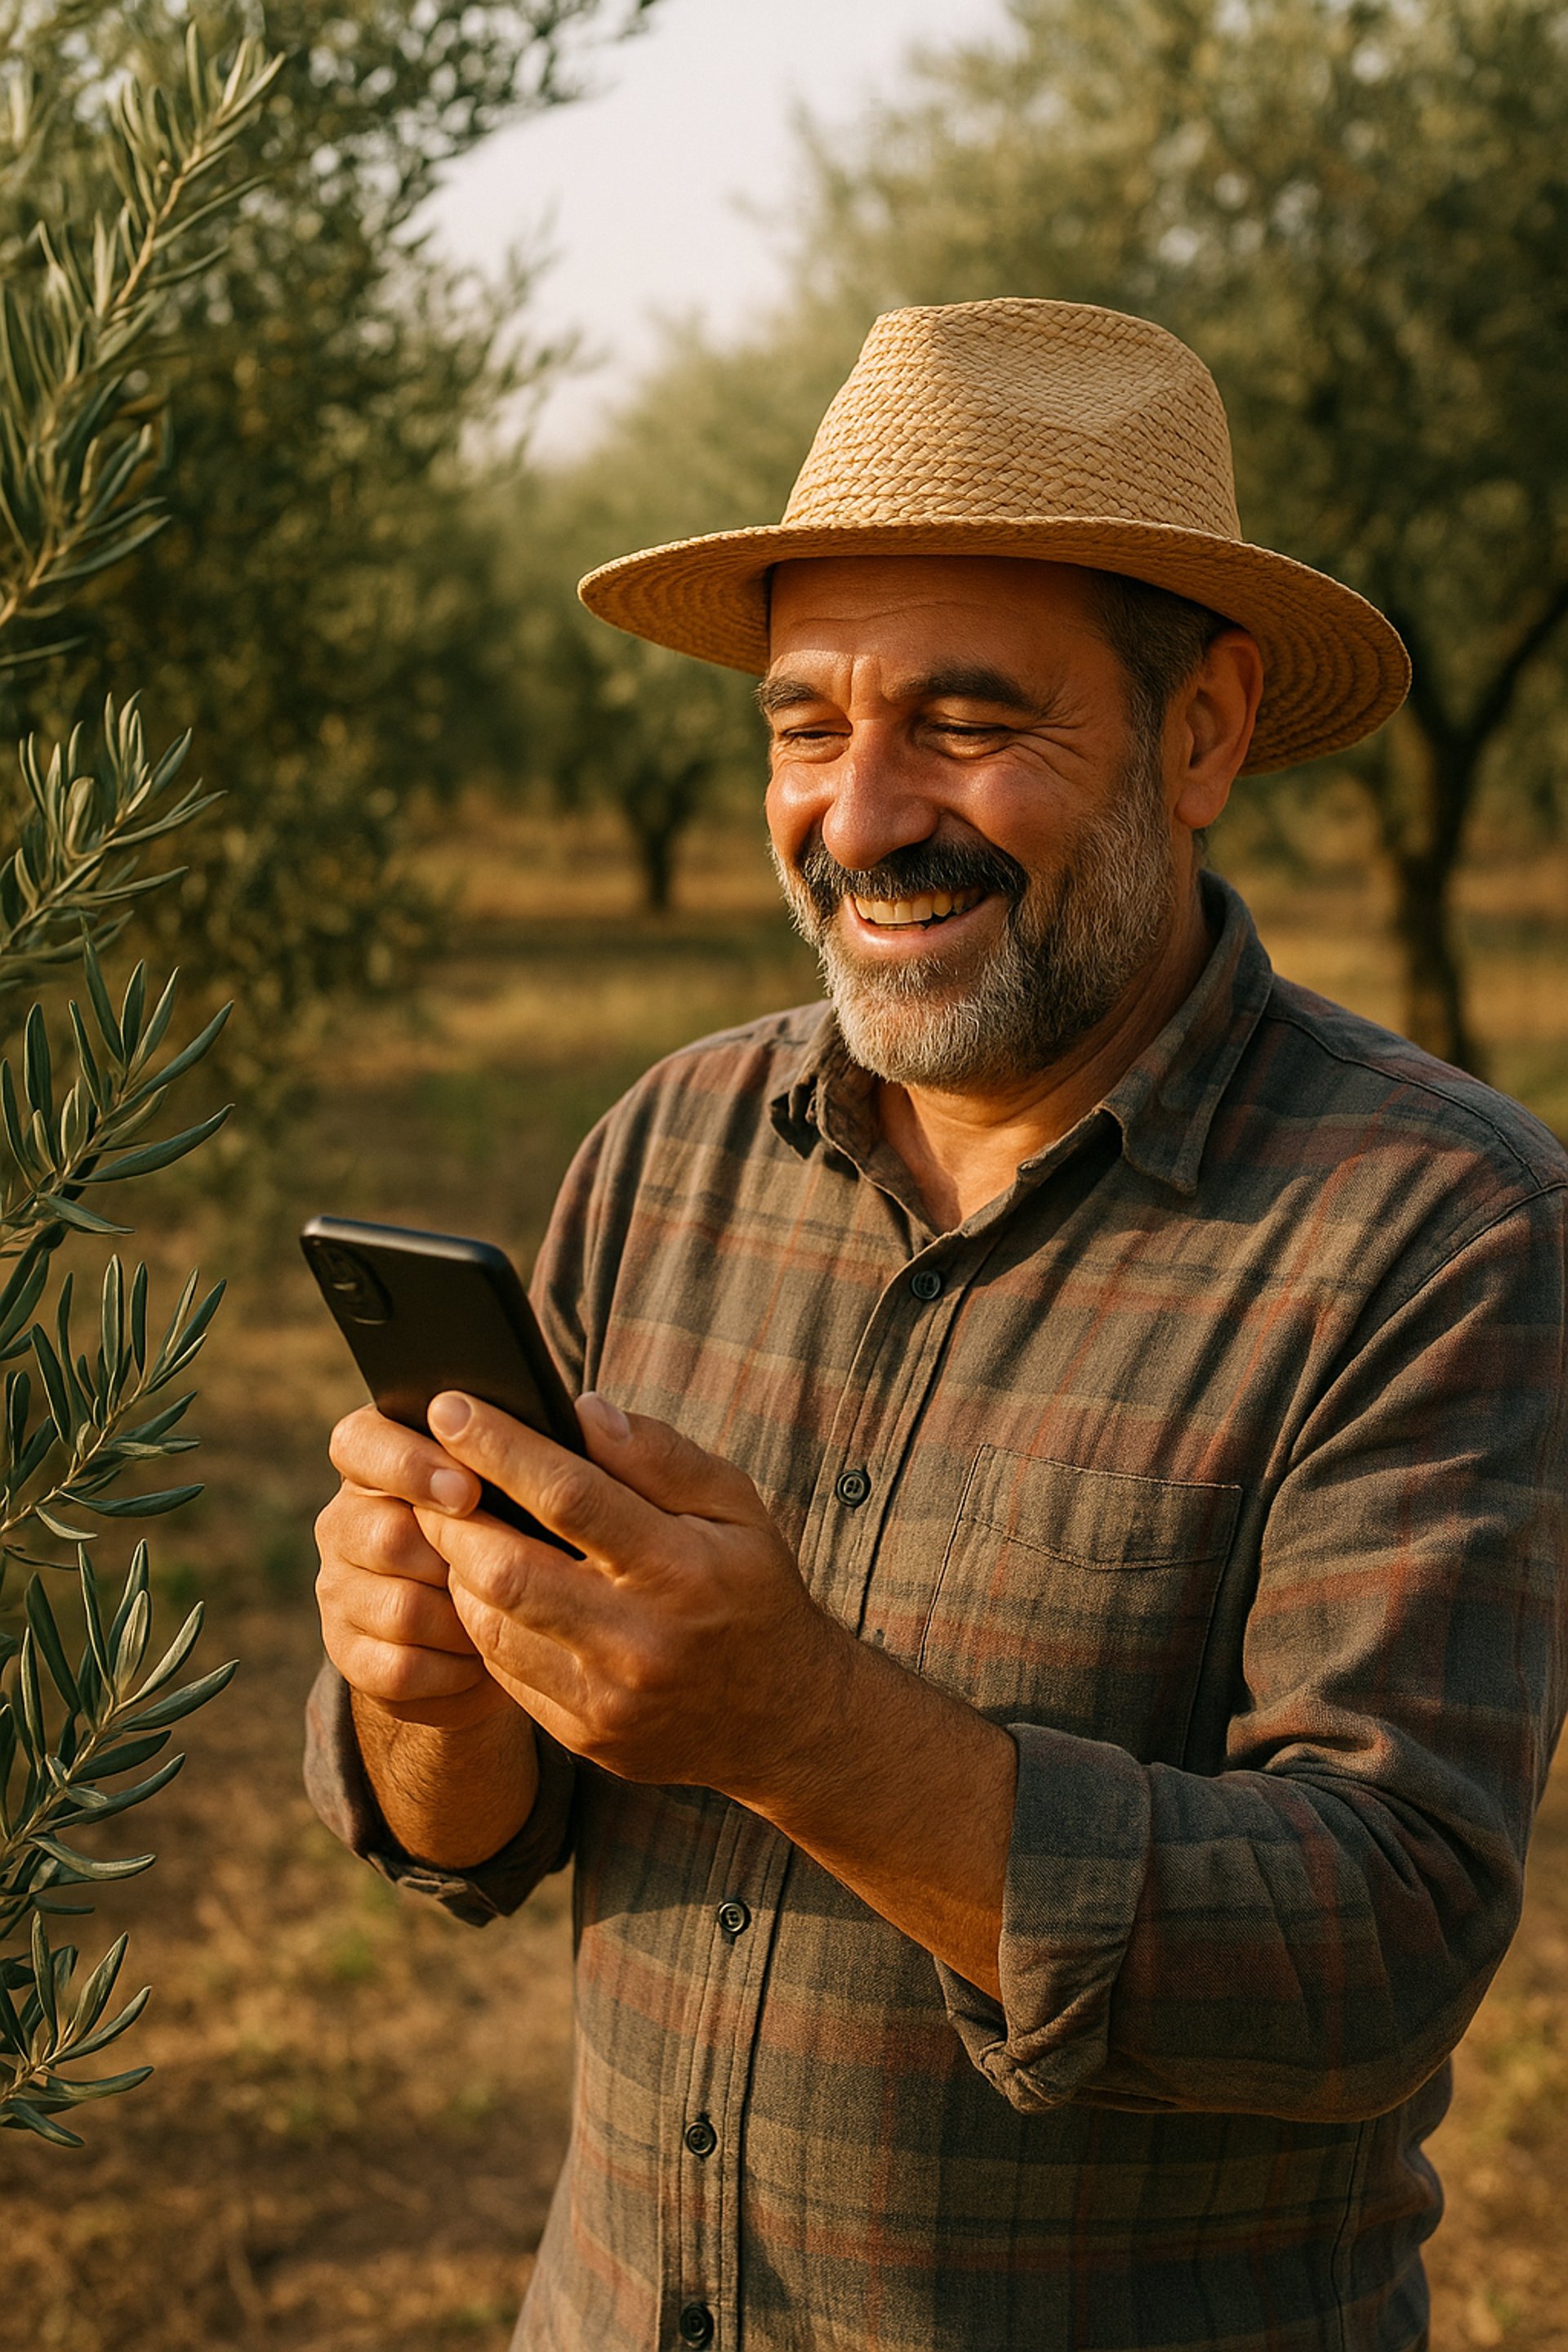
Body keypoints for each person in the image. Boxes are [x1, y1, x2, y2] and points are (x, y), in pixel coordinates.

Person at [306, 300, 1567, 2352]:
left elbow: (1384, 1946)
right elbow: (472, 1840)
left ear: (1205, 730)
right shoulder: (669, 1147)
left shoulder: (1434, 1229)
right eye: (807, 727)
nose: (865, 813)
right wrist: (426, 1688)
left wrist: (801, 1724)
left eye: (968, 724)